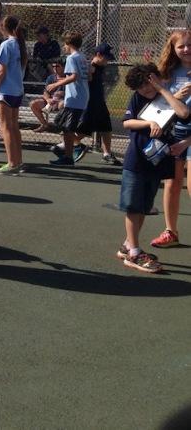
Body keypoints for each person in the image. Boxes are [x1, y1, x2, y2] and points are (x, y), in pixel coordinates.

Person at [117, 64, 189, 273]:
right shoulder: (138, 99)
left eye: (149, 88)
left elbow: (183, 112)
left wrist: (163, 90)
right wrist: (148, 123)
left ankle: (128, 245)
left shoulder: (168, 97)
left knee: (144, 206)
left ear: (156, 79)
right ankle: (134, 252)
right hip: (137, 160)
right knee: (133, 206)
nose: (146, 93)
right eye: (142, 90)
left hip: (156, 161)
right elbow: (127, 123)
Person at [150, 29, 191, 249]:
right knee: (171, 184)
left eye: (190, 45)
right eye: (181, 46)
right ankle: (170, 231)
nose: (186, 50)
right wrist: (177, 97)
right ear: (173, 49)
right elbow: (159, 105)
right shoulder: (167, 72)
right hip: (174, 132)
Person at [0, 16, 26, 175]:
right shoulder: (20, 44)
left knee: (6, 127)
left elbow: (1, 71)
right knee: (14, 126)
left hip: (6, 91)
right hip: (17, 90)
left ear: (3, 28)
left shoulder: (7, 44)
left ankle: (12, 163)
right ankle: (18, 161)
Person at [46, 32, 89, 167]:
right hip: (80, 96)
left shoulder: (71, 58)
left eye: (65, 43)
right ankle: (68, 151)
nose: (64, 46)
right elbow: (86, 76)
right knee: (63, 124)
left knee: (67, 127)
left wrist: (55, 84)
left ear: (69, 44)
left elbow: (74, 76)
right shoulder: (82, 57)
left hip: (75, 97)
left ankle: (69, 155)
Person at [75, 43, 120, 164]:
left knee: (106, 128)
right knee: (83, 130)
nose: (107, 61)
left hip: (100, 102)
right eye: (106, 58)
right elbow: (84, 78)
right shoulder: (92, 67)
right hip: (90, 104)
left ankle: (107, 154)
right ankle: (65, 145)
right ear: (98, 55)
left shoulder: (100, 67)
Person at [30, 61, 65, 132]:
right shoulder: (51, 77)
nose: (55, 68)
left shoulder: (68, 77)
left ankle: (62, 127)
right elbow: (45, 92)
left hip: (61, 101)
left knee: (63, 104)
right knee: (33, 104)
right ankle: (44, 124)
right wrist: (48, 99)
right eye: (53, 66)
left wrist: (62, 95)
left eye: (57, 66)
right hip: (51, 101)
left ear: (63, 67)